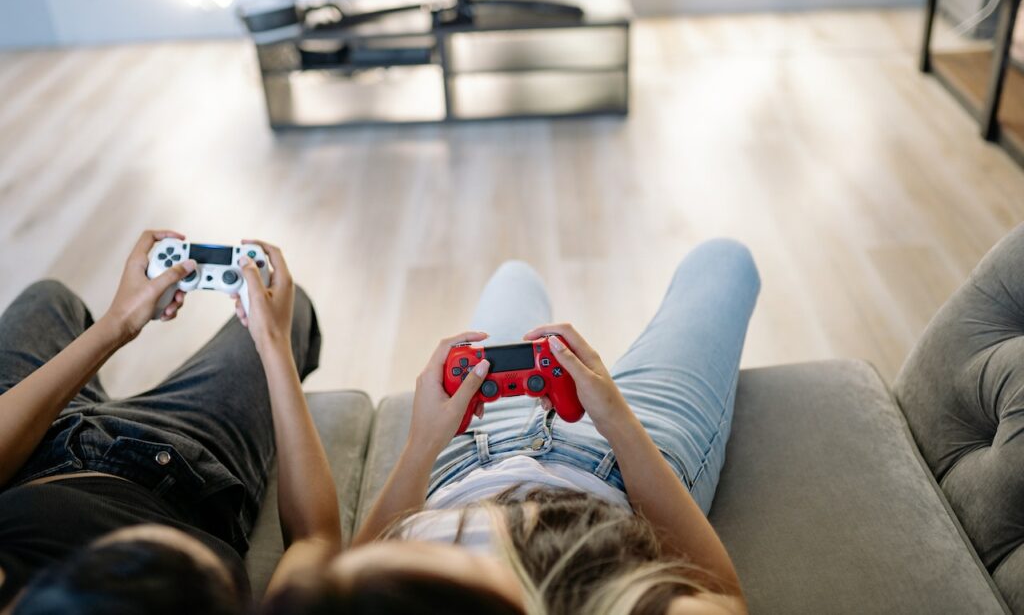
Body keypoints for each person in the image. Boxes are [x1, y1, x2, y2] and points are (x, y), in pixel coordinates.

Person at [264, 239, 761, 615]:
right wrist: (616, 420)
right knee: (724, 261)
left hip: (464, 457)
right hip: (614, 473)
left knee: (513, 278)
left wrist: (423, 444)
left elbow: (349, 564)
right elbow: (723, 597)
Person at [0, 230, 340, 614]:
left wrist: (121, 322)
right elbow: (315, 541)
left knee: (48, 299)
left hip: (25, 452)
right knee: (291, 306)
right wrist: (273, 343)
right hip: (177, 464)